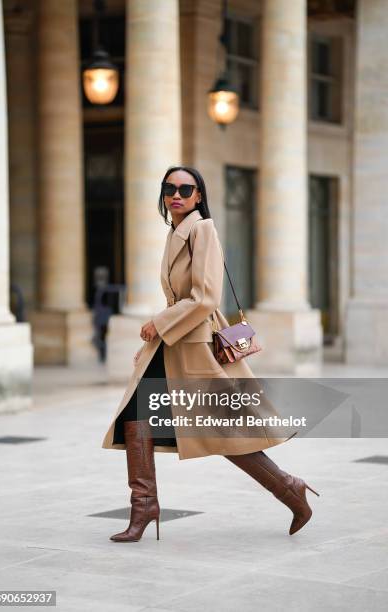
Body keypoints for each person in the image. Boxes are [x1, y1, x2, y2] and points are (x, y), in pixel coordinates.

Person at [101, 165, 319, 543]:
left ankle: (289, 487)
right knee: (136, 418)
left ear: (199, 196)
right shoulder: (175, 232)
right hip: (173, 343)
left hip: (195, 346)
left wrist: (158, 322)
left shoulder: (202, 229)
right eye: (170, 188)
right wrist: (152, 342)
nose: (177, 195)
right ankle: (145, 505)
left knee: (225, 432)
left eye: (186, 189)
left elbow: (205, 298)